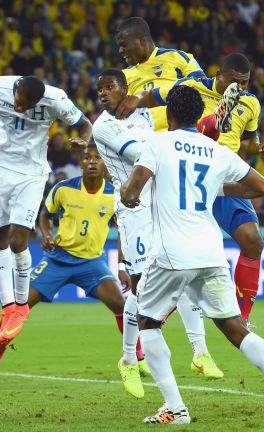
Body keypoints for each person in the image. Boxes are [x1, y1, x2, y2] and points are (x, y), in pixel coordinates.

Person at [120, 85, 264, 425]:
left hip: (172, 253)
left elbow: (132, 190)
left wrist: (131, 198)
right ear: (196, 115)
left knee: (147, 322)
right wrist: (219, 187)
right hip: (211, 252)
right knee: (235, 329)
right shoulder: (215, 151)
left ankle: (176, 408)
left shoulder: (157, 143)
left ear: (169, 115)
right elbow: (262, 186)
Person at [117, 53, 264, 329]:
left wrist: (260, 145)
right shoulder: (192, 87)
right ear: (219, 75)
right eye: (235, 82)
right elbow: (157, 96)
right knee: (178, 254)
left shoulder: (250, 103)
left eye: (246, 83)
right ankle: (152, 314)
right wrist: (135, 100)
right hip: (187, 176)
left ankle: (243, 317)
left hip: (222, 178)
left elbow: (249, 137)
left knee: (253, 241)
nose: (241, 88)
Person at [91, 68, 224, 387]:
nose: (103, 93)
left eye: (109, 87)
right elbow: (141, 155)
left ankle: (200, 352)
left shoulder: (146, 114)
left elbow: (177, 95)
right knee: (140, 287)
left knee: (187, 271)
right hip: (132, 207)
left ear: (125, 89)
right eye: (100, 90)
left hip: (161, 203)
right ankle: (127, 360)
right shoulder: (104, 125)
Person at [0, 75, 92, 346]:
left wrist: (83, 141)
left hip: (31, 174)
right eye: (19, 103)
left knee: (18, 239)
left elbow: (84, 125)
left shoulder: (56, 99)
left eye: (28, 106)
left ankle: (21, 305)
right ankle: (8, 306)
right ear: (15, 89)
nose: (21, 109)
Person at [0, 145, 141, 387]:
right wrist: (45, 235)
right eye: (86, 158)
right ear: (80, 164)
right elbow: (45, 215)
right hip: (58, 259)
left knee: (122, 306)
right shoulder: (63, 189)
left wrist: (122, 265)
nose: (92, 162)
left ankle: (139, 358)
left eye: (97, 158)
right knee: (18, 307)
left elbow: (124, 230)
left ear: (105, 164)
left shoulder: (114, 195)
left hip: (92, 262)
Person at [115, 17, 205, 133]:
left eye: (124, 45)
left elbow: (202, 87)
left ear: (142, 41)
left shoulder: (177, 57)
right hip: (145, 141)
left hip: (183, 133)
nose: (120, 51)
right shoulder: (123, 76)